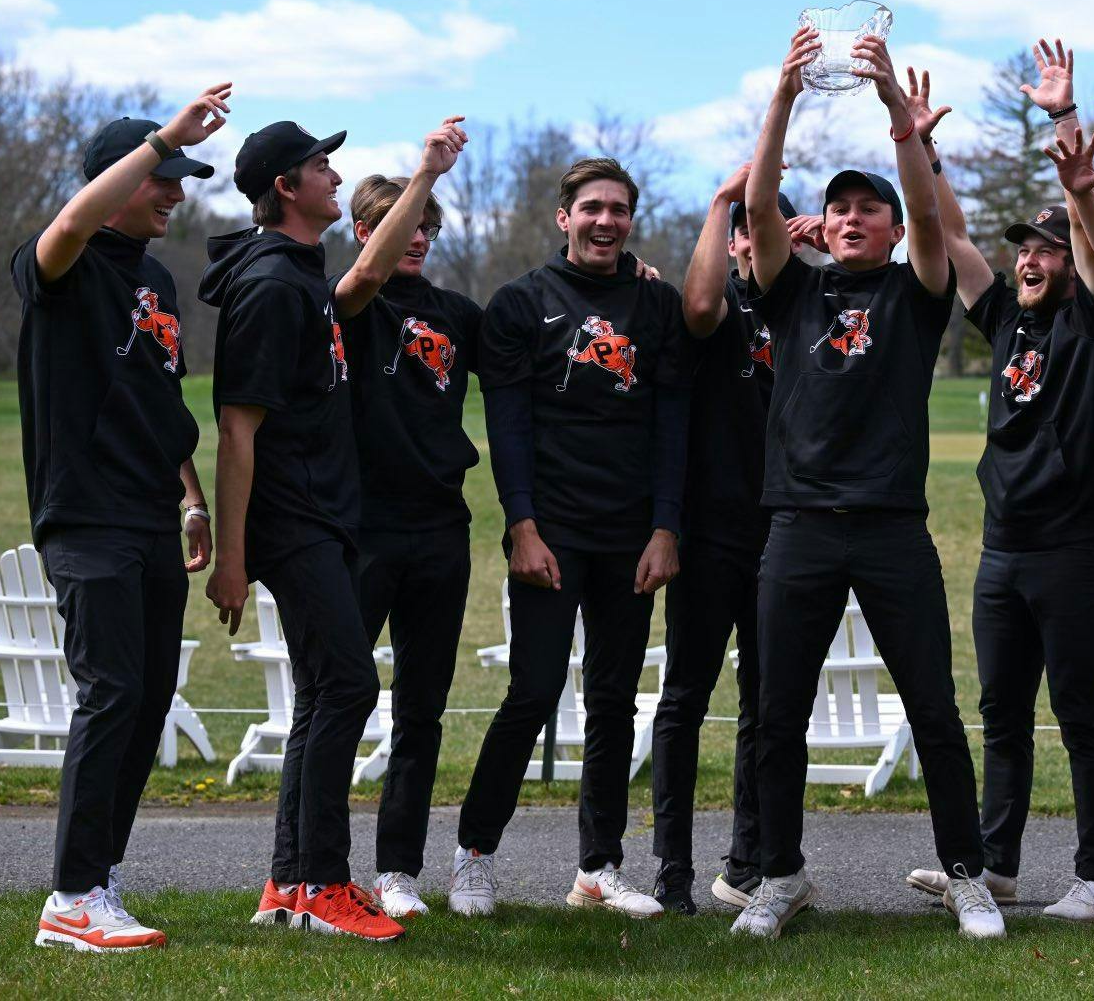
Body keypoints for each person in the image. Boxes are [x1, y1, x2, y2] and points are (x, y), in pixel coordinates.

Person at [734, 26, 1003, 941]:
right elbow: (762, 202)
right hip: (798, 527)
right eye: (838, 209)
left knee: (932, 705)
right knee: (776, 714)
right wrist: (784, 95)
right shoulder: (790, 289)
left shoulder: (916, 293)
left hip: (891, 529)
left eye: (868, 211)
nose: (851, 219)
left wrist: (897, 110)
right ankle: (780, 877)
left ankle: (968, 875)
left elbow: (936, 222)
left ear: (889, 229)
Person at [203, 115, 467, 942]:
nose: (332, 174)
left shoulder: (300, 274)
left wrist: (425, 176)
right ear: (287, 187)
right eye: (321, 165)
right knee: (349, 686)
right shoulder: (274, 286)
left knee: (323, 693)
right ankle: (323, 882)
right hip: (296, 519)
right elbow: (236, 426)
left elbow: (359, 286)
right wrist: (232, 558)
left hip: (319, 517)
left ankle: (288, 883)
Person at [899, 42, 1094, 924]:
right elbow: (952, 238)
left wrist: (1063, 130)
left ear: (1072, 263)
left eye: (1048, 249)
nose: (1031, 260)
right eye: (1025, 249)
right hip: (1005, 551)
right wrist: (920, 150)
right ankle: (994, 866)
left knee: (1078, 713)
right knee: (1000, 716)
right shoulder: (1004, 319)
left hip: (1076, 550)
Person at [18, 87, 227, 953]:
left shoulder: (156, 277)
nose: (175, 194)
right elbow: (69, 227)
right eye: (163, 179)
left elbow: (156, 392)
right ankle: (69, 898)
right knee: (110, 695)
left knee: (144, 705)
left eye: (180, 178)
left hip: (148, 512)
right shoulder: (58, 264)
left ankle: (98, 875)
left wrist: (192, 494)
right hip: (86, 515)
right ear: (120, 177)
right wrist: (161, 140)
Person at [452, 157, 688, 921]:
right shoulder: (521, 304)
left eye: (619, 209)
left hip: (631, 538)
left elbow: (672, 427)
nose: (605, 221)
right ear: (564, 217)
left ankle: (599, 868)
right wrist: (520, 526)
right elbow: (508, 426)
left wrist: (665, 527)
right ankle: (474, 857)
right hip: (549, 536)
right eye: (592, 208)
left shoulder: (656, 305)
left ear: (631, 220)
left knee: (615, 703)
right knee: (532, 691)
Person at [649, 164, 799, 915]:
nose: (752, 245)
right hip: (710, 532)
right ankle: (670, 869)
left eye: (765, 231)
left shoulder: (807, 310)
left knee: (768, 708)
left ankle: (748, 865)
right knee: (684, 699)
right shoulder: (709, 312)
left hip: (785, 535)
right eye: (744, 231)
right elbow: (697, 299)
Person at [335, 174, 484, 919]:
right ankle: (313, 869)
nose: (418, 235)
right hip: (363, 532)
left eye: (427, 224)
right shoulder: (351, 307)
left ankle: (398, 871)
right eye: (402, 223)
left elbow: (537, 346)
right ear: (365, 230)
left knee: (421, 709)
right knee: (335, 700)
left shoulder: (457, 315)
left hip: (440, 532)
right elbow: (359, 283)